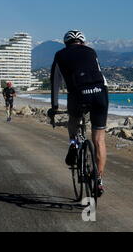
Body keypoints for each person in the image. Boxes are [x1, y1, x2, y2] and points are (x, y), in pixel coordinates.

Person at [49, 30, 108, 197]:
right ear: (82, 42)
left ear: (66, 43)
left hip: (78, 95)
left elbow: (55, 82)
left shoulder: (60, 55)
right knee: (99, 140)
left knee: (73, 121)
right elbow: (101, 75)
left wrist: (54, 107)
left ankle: (74, 143)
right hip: (100, 94)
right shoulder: (91, 52)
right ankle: (98, 180)